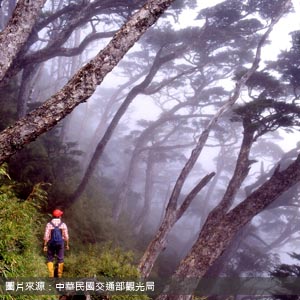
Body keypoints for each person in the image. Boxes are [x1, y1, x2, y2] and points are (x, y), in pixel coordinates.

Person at [43, 209, 69, 278]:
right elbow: (66, 236)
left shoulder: (49, 224)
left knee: (50, 258)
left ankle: (51, 276)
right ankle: (59, 276)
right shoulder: (63, 224)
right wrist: (67, 245)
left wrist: (45, 245)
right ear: (60, 216)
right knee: (60, 259)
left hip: (51, 243)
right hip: (60, 244)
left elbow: (46, 236)